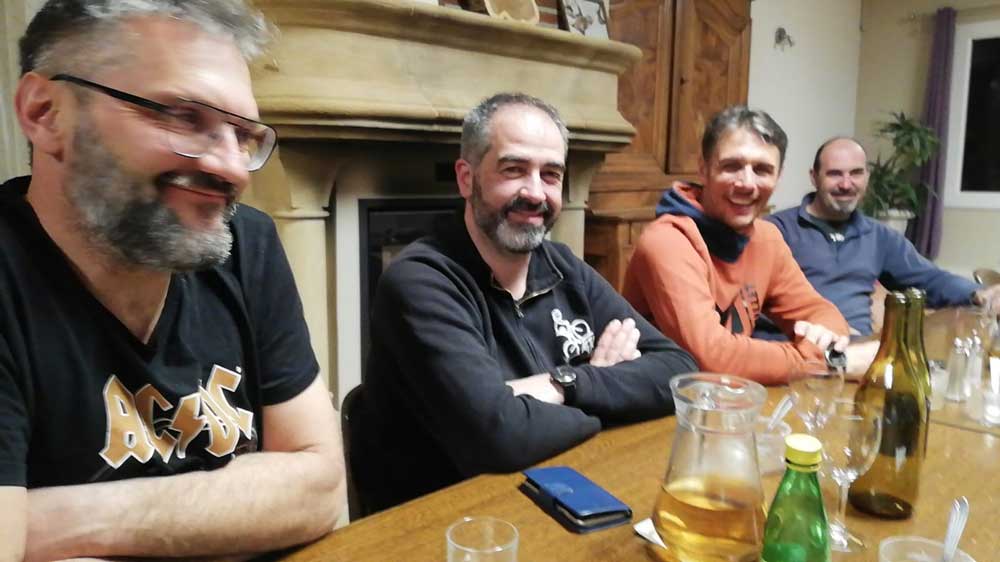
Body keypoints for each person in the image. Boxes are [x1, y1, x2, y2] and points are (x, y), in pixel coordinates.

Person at [0, 1, 344, 559]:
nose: (233, 169)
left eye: (243, 136)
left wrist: (45, 519)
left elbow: (321, 489)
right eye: (184, 118)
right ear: (45, 113)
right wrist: (237, 508)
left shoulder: (248, 243)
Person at [353, 93, 698, 513]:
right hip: (446, 520)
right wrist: (609, 391)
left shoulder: (565, 267)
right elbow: (498, 436)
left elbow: (679, 372)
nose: (535, 193)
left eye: (551, 175)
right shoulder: (419, 281)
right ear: (466, 178)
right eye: (513, 170)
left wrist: (569, 384)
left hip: (557, 488)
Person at [622, 106, 853, 385]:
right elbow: (710, 358)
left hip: (725, 399)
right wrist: (824, 359)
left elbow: (822, 313)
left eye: (762, 170)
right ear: (704, 168)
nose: (747, 183)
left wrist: (826, 338)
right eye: (731, 166)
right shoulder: (668, 240)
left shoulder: (766, 239)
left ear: (778, 176)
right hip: (658, 402)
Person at [761, 136, 1000, 338]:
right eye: (835, 174)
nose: (846, 184)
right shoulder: (776, 230)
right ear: (814, 177)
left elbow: (930, 278)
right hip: (793, 349)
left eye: (856, 173)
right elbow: (756, 302)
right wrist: (830, 329)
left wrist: (977, 293)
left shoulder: (879, 236)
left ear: (867, 176)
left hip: (858, 353)